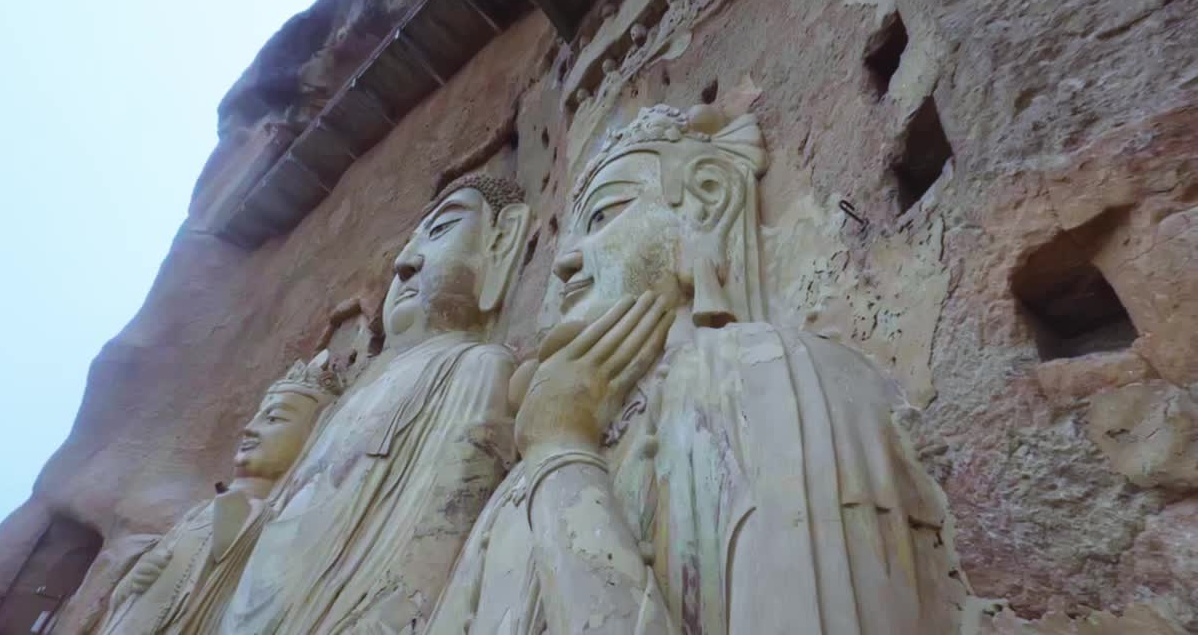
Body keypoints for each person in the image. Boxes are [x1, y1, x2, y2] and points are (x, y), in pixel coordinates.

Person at [425, 105, 967, 635]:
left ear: (705, 202)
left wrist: (561, 450)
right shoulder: (516, 486)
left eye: (603, 217)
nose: (565, 260)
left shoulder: (762, 379)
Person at [218, 174, 531, 634]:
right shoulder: (343, 405)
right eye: (409, 243)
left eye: (442, 231)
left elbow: (441, 528)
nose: (405, 263)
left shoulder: (474, 367)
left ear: (500, 246)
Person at [95, 350, 342, 634]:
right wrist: (130, 585)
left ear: (314, 432)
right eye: (256, 417)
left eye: (273, 419)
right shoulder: (197, 514)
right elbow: (128, 595)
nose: (249, 429)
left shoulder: (287, 516)